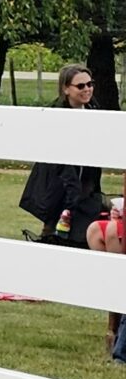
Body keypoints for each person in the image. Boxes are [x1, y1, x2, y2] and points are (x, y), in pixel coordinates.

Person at [18, 62, 124, 354]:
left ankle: (110, 323)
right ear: (66, 89)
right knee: (56, 237)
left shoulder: (95, 113)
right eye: (81, 86)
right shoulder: (58, 117)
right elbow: (60, 164)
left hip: (87, 191)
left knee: (91, 242)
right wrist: (70, 197)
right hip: (60, 192)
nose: (87, 89)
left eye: (90, 84)